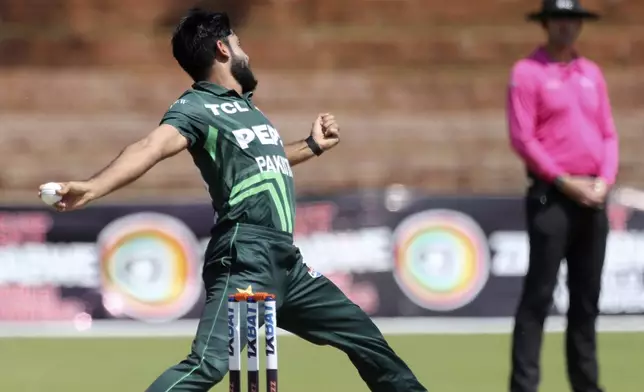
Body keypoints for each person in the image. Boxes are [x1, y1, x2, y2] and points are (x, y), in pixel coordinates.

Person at [39, 8, 428, 392]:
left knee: (367, 340)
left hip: (286, 265)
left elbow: (266, 159)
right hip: (245, 256)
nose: (247, 53)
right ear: (223, 49)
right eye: (240, 44)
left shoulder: (248, 110)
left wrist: (311, 146)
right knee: (207, 365)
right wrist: (92, 187)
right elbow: (150, 147)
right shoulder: (195, 107)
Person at [506, 1, 619, 392]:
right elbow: (524, 138)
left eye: (573, 19)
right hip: (551, 197)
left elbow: (608, 133)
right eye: (560, 19)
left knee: (587, 299)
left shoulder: (591, 73)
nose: (567, 27)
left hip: (594, 196)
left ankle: (586, 385)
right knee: (539, 296)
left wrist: (604, 179)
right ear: (547, 24)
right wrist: (564, 181)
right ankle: (524, 386)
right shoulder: (527, 72)